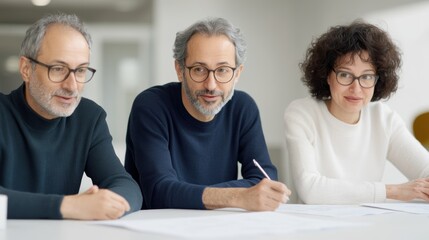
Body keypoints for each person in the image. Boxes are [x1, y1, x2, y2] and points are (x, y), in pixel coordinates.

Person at [125, 17, 290, 211]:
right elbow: (159, 192)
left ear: (237, 74)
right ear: (180, 70)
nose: (211, 85)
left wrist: (188, 194)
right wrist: (238, 195)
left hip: (217, 225)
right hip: (158, 227)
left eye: (222, 70)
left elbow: (265, 179)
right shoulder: (151, 106)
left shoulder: (243, 108)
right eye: (199, 69)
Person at [0, 13, 142, 219]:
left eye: (81, 70)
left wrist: (105, 203)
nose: (72, 86)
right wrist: (69, 206)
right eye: (58, 69)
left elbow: (126, 186)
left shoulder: (89, 118)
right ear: (26, 69)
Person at [284, 20, 429, 204]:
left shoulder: (384, 118)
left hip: (369, 225)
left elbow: (425, 170)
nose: (356, 88)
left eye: (367, 77)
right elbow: (311, 190)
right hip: (317, 227)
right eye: (345, 74)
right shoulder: (302, 114)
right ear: (327, 75)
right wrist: (393, 191)